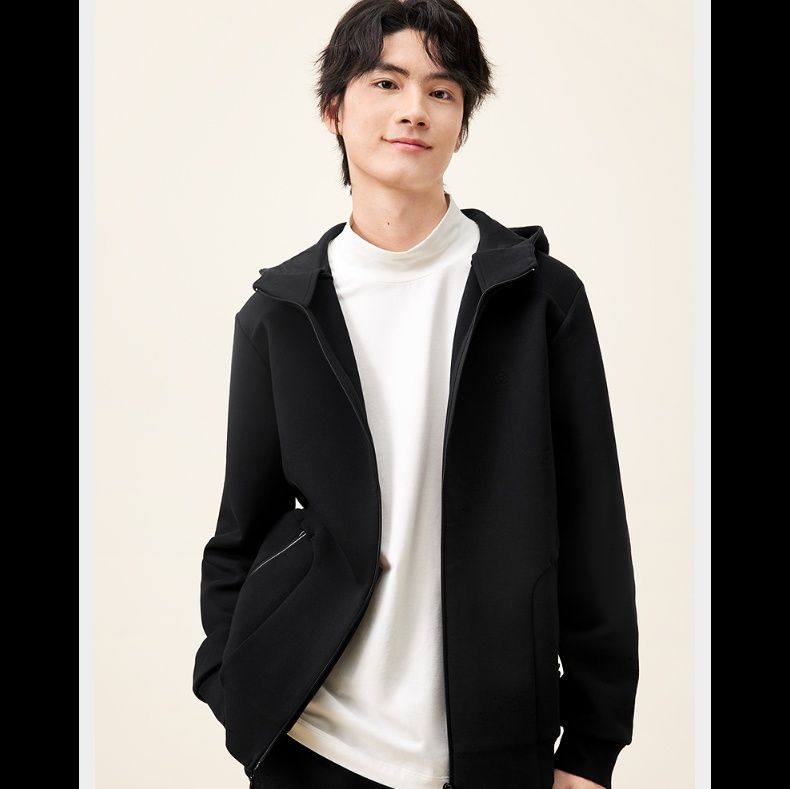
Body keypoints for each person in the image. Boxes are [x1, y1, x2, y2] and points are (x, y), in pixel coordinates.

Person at [192, 2, 639, 788]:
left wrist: (591, 747)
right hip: (315, 741)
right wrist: (235, 688)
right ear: (334, 110)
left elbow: (593, 524)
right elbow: (241, 533)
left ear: (462, 121)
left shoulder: (539, 298)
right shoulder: (279, 316)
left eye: (441, 91)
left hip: (494, 744)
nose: (414, 109)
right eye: (386, 82)